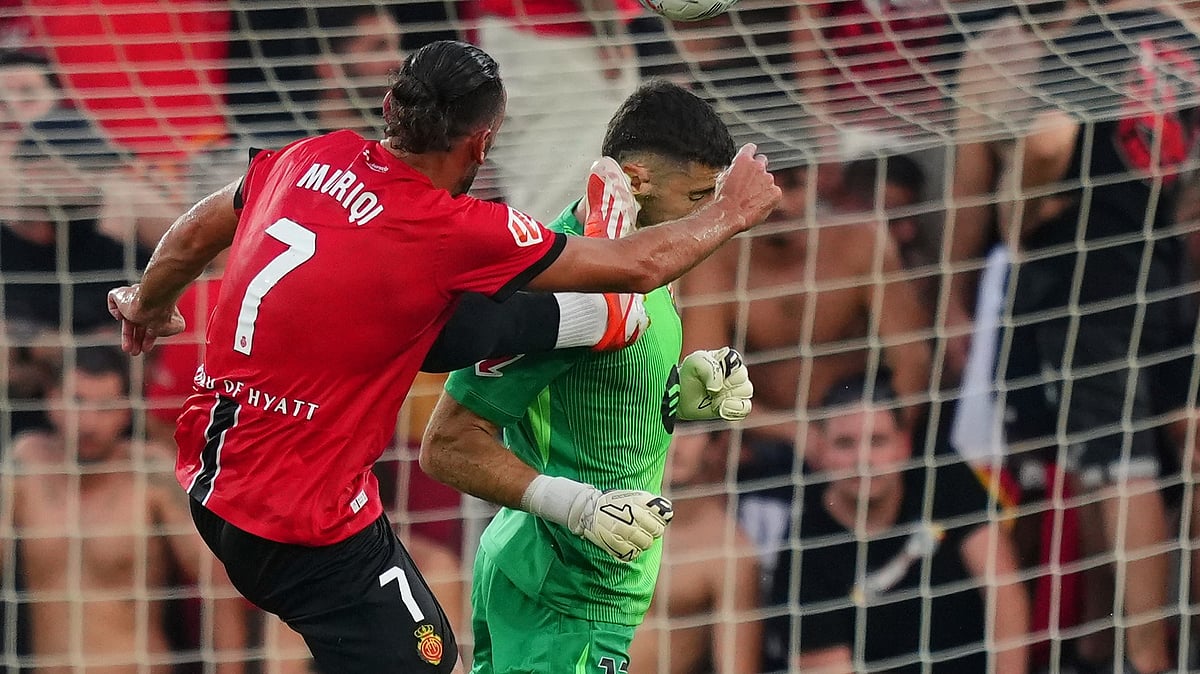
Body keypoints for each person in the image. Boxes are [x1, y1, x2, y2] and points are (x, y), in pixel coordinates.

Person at [106, 41, 781, 674]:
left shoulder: (306, 156)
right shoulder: (448, 226)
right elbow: (635, 267)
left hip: (212, 477)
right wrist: (731, 211)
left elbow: (198, 227)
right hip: (306, 521)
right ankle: (594, 317)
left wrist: (146, 301)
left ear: (389, 108)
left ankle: (588, 320)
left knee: (428, 312)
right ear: (483, 142)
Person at [420, 79, 756, 674]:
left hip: (575, 590)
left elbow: (594, 398)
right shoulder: (566, 289)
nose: (702, 214)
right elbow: (447, 445)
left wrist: (680, 397)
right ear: (639, 180)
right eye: (697, 195)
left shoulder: (638, 262)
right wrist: (582, 508)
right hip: (562, 598)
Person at [948, 5, 1199, 672]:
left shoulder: (1090, 36)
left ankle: (1147, 658)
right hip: (1164, 266)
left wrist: (1019, 210)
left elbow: (1047, 141)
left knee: (1117, 464)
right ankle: (1101, 645)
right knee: (1116, 458)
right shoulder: (1174, 33)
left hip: (1088, 275)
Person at [678, 157, 932, 594]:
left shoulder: (859, 242)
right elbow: (700, 386)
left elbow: (914, 361)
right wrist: (794, 431)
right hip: (765, 446)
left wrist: (879, 442)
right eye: (766, 187)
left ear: (819, 181)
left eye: (793, 185)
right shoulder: (716, 260)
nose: (779, 202)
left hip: (858, 434)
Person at [0, 345, 249, 673]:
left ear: (126, 412)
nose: (89, 423)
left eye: (106, 407)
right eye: (78, 401)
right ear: (53, 400)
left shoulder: (150, 472)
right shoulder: (25, 462)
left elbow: (218, 584)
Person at [764, 369, 1029, 674]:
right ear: (820, 452)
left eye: (877, 441)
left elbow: (1003, 591)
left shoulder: (939, 473)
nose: (863, 459)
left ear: (904, 446)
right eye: (845, 444)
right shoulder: (803, 552)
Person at [469, 0, 641, 222]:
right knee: (567, 195)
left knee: (538, 190)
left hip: (517, 37)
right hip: (566, 44)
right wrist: (610, 37)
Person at [628, 426, 761, 674]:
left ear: (714, 445)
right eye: (666, 428)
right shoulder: (602, 512)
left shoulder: (728, 551)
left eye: (689, 431)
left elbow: (736, 668)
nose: (676, 444)